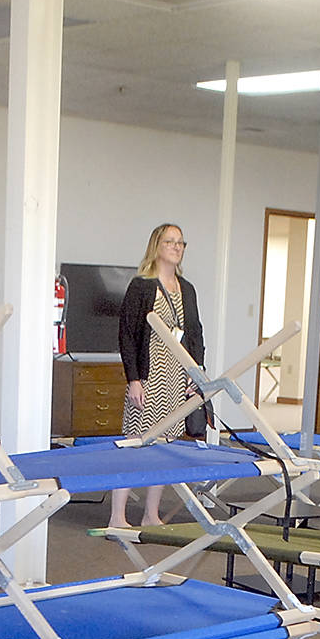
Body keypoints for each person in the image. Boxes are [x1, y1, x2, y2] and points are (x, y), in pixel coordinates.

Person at [108, 222, 204, 528]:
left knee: (165, 447)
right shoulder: (142, 286)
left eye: (180, 242)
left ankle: (151, 514)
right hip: (149, 377)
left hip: (176, 379)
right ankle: (117, 516)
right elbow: (127, 335)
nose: (176, 247)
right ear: (156, 246)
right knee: (135, 445)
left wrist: (196, 372)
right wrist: (133, 379)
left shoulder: (187, 289)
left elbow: (195, 335)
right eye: (170, 241)